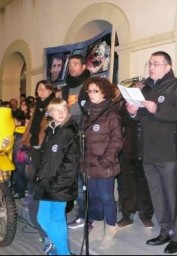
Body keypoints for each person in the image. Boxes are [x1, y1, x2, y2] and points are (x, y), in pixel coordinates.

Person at [126, 51, 177, 254]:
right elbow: (141, 118)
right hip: (148, 150)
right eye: (150, 63)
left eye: (156, 63)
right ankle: (165, 231)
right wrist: (133, 112)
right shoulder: (145, 88)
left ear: (168, 67)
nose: (151, 67)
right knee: (157, 195)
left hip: (168, 151)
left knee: (173, 195)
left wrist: (157, 109)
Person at [81, 76, 123, 250]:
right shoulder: (87, 114)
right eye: (89, 91)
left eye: (95, 91)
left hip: (105, 165)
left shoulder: (112, 113)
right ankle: (98, 228)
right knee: (95, 199)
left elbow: (117, 140)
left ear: (104, 92)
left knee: (106, 198)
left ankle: (110, 232)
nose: (91, 94)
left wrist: (106, 160)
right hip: (89, 166)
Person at [34, 98, 79, 255]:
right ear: (50, 113)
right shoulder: (51, 130)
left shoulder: (69, 131)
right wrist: (39, 177)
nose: (61, 113)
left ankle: (63, 252)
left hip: (58, 184)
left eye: (64, 110)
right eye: (57, 110)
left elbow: (70, 163)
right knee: (54, 220)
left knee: (46, 219)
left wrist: (56, 183)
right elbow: (44, 158)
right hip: (47, 182)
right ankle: (63, 251)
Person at [21, 80, 56, 254]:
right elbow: (31, 126)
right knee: (34, 185)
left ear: (50, 90)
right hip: (34, 148)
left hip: (46, 150)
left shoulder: (54, 105)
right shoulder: (38, 106)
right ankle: (44, 230)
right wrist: (24, 140)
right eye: (38, 89)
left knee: (43, 187)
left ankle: (49, 234)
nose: (40, 91)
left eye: (43, 88)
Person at [117, 83, 154, 229]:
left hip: (148, 149)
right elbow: (122, 120)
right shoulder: (125, 105)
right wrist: (127, 107)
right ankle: (127, 216)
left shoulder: (151, 102)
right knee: (128, 186)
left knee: (146, 186)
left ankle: (146, 216)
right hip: (130, 149)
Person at [62, 54, 91, 229]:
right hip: (68, 134)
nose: (71, 67)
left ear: (83, 66)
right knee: (70, 176)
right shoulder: (66, 88)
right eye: (70, 64)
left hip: (84, 134)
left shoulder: (89, 85)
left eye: (75, 64)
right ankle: (72, 207)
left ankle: (85, 215)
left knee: (82, 178)